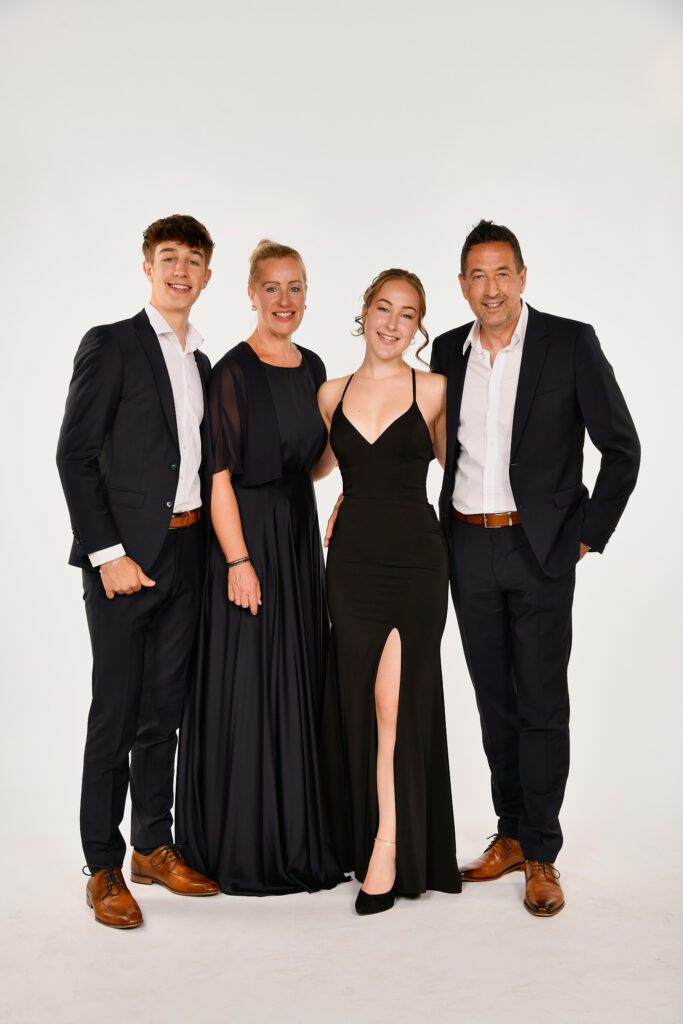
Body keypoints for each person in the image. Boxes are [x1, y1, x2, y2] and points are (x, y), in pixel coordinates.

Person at [430, 220, 640, 917]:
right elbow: (417, 438)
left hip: (541, 549)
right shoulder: (446, 352)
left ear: (522, 277)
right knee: (495, 701)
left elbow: (622, 448)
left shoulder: (569, 343)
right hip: (467, 546)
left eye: (502, 273)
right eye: (476, 276)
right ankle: (512, 833)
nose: (489, 288)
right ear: (463, 285)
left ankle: (542, 852)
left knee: (542, 703)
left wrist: (585, 536)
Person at [56, 215, 221, 929]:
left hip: (187, 555)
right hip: (123, 562)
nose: (180, 271)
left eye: (192, 260)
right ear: (147, 267)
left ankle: (152, 845)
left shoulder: (202, 364)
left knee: (164, 714)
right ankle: (102, 865)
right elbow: (75, 455)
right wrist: (108, 555)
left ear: (207, 275)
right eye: (168, 258)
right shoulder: (112, 344)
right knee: (116, 715)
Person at [176, 239, 345, 896]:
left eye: (295, 287)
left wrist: (346, 430)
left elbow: (316, 463)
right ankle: (244, 841)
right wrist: (238, 560)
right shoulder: (232, 372)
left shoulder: (314, 367)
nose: (284, 299)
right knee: (248, 683)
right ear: (251, 294)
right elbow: (217, 475)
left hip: (297, 535)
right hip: (244, 536)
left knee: (295, 676)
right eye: (272, 287)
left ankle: (297, 835)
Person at [317, 269, 461, 915]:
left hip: (415, 564)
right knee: (358, 702)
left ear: (418, 326)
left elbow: (460, 469)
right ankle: (361, 835)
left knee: (391, 707)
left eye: (407, 314)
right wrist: (343, 498)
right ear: (365, 312)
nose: (392, 323)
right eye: (384, 308)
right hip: (350, 566)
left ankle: (387, 845)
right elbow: (316, 466)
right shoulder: (330, 393)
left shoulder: (434, 388)